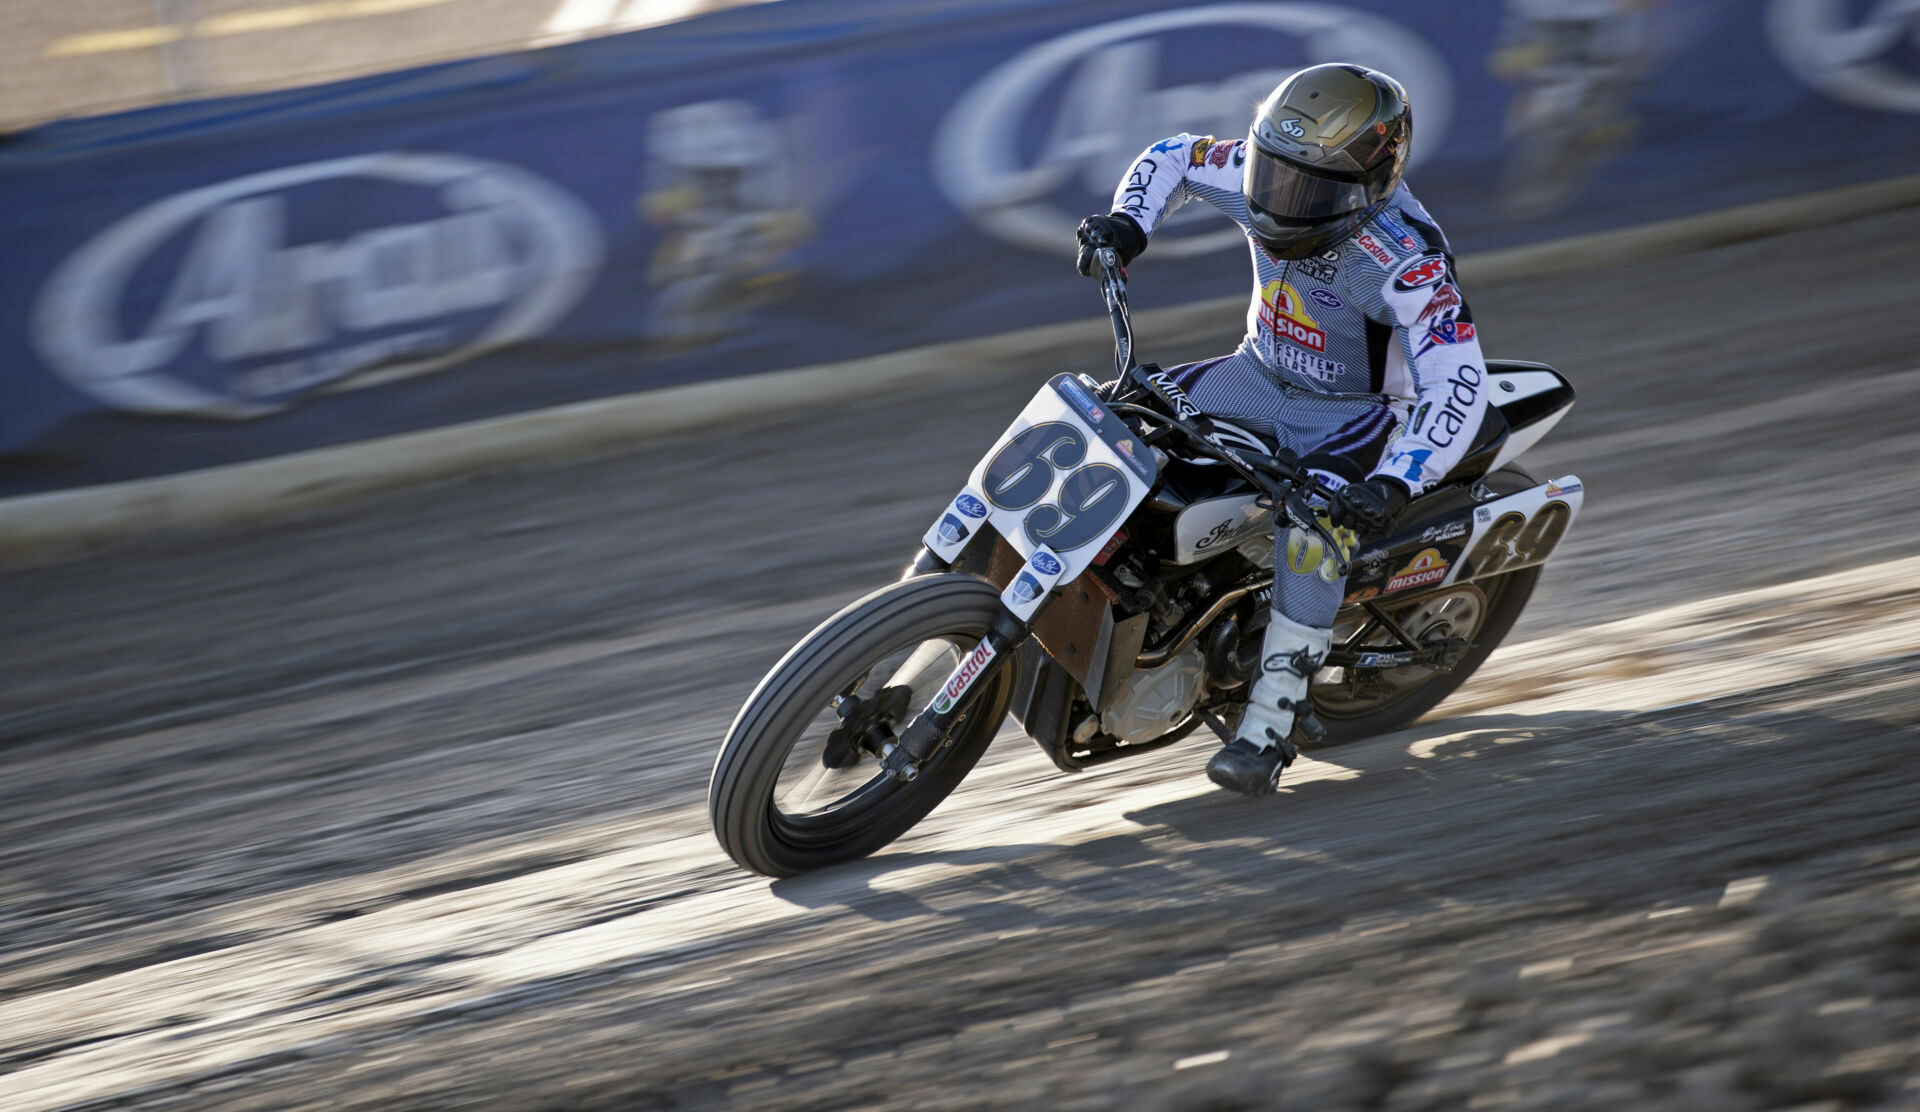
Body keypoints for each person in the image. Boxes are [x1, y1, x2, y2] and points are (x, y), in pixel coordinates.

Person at [1073, 62, 1489, 797]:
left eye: (1308, 192)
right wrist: (1129, 222)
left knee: (1312, 529)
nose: (1276, 202)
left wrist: (1398, 479)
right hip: (1256, 375)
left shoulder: (1406, 263)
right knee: (1115, 412)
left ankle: (1271, 722)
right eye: (1270, 175)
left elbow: (1458, 381)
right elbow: (1173, 155)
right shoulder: (1261, 172)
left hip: (1356, 416)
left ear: (1372, 186)